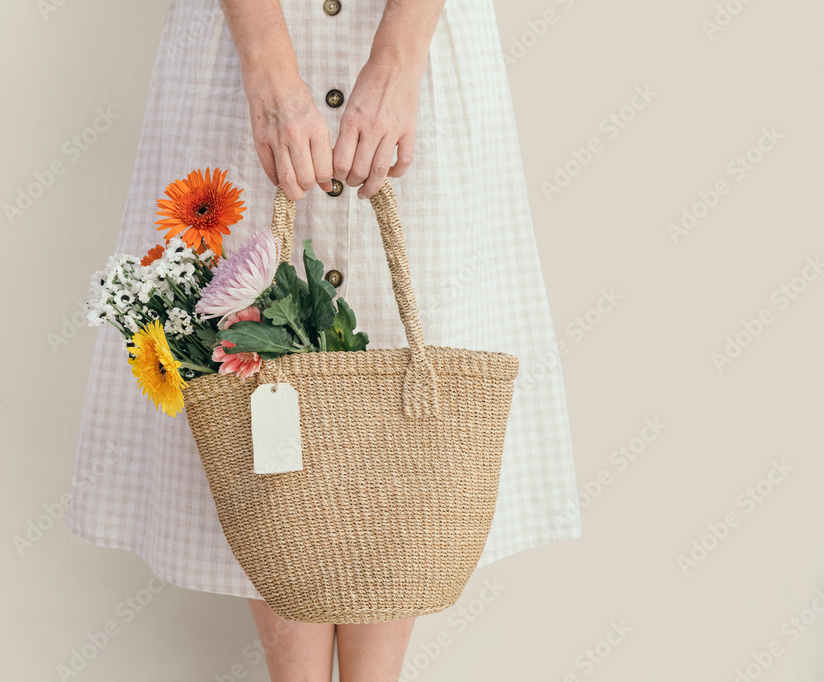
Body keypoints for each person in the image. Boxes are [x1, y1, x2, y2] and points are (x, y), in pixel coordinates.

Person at [67, 0, 582, 678]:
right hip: (243, 36)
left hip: (416, 39)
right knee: (244, 362)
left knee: (402, 385)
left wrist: (400, 55)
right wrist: (267, 64)